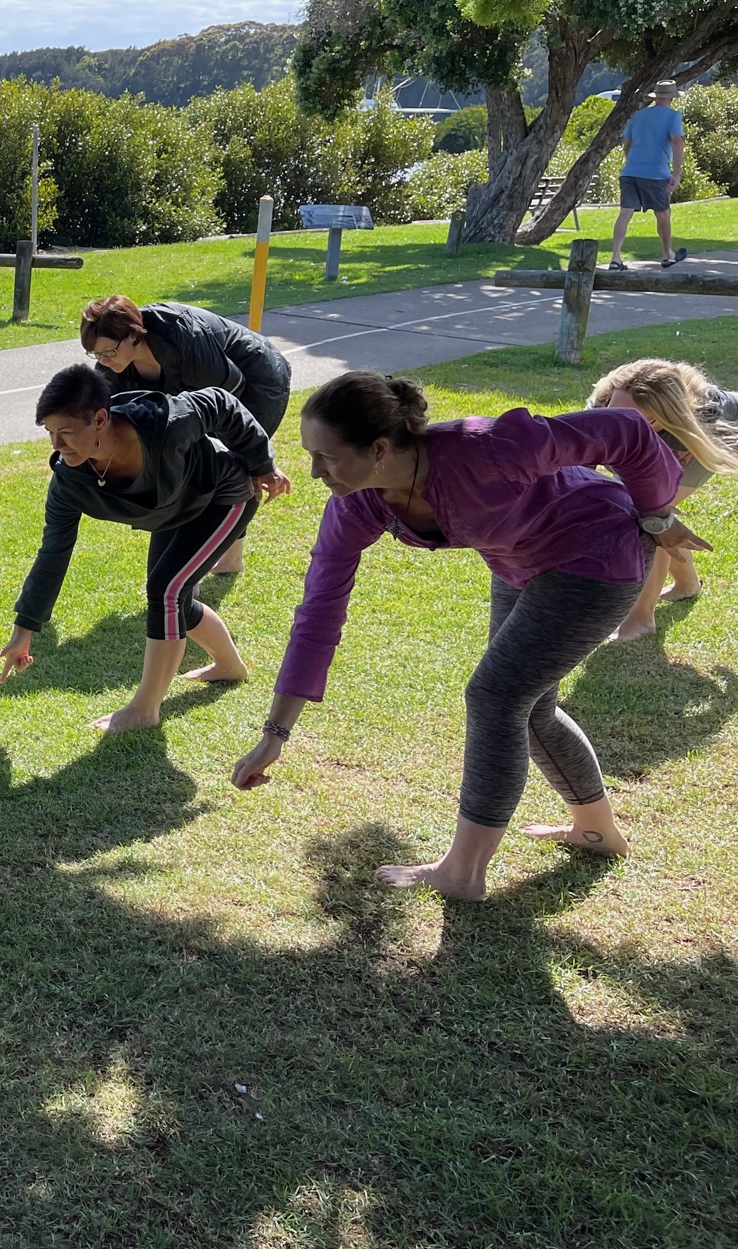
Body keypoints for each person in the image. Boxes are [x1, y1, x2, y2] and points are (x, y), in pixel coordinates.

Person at [231, 372, 707, 900]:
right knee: (530, 705)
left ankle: (463, 873)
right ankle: (596, 831)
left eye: (326, 457)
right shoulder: (357, 503)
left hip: (597, 549)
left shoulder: (489, 447)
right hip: (517, 559)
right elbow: (318, 612)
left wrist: (656, 513)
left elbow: (627, 431)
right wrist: (275, 734)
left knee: (496, 697)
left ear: (380, 449)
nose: (315, 472)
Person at [0, 365, 291, 733]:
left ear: (100, 419)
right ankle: (229, 666)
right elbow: (53, 552)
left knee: (166, 591)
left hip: (223, 494)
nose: (57, 445)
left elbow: (221, 403)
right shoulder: (69, 483)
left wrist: (262, 463)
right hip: (175, 512)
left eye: (66, 433)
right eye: (51, 433)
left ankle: (144, 709)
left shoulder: (164, 422)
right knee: (172, 598)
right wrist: (24, 629)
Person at [80, 294, 295, 573]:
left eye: (109, 352)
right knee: (189, 465)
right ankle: (221, 560)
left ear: (133, 335)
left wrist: (260, 461)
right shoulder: (111, 365)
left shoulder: (184, 338)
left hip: (256, 381)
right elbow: (111, 419)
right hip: (207, 391)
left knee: (234, 467)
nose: (103, 361)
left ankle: (220, 561)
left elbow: (230, 404)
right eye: (95, 354)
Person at [587, 358, 738, 640]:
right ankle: (687, 585)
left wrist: (654, 515)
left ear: (662, 419)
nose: (618, 426)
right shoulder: (599, 406)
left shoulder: (688, 426)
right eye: (614, 413)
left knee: (651, 522)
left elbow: (656, 513)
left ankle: (641, 618)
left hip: (709, 436)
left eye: (635, 422)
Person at [609, 80, 688, 271]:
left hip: (630, 172)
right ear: (671, 97)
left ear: (656, 96)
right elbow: (677, 142)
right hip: (656, 174)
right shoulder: (673, 116)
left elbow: (627, 144)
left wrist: (633, 161)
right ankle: (668, 254)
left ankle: (615, 258)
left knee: (625, 213)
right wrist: (676, 173)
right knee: (663, 213)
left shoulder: (638, 115)